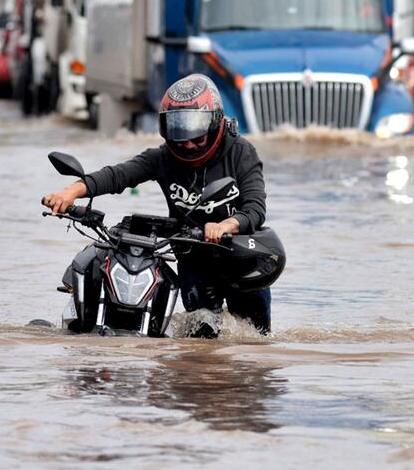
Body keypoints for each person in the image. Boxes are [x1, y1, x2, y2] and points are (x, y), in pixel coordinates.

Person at [42, 74, 272, 337]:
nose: (187, 143)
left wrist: (226, 225)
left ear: (215, 122)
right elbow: (119, 174)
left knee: (254, 339)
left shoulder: (240, 152)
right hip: (193, 257)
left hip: (240, 256)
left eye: (196, 137)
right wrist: (71, 192)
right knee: (201, 338)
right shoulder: (163, 157)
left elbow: (255, 208)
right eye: (179, 133)